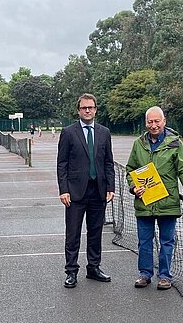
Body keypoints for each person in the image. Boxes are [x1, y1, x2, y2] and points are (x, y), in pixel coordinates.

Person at [126, 106, 183, 290]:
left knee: (167, 241)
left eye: (157, 121)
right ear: (146, 123)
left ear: (164, 122)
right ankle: (145, 274)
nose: (154, 125)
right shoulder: (138, 144)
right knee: (144, 241)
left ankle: (165, 276)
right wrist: (134, 187)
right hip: (144, 203)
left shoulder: (175, 143)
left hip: (168, 202)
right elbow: (130, 170)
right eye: (150, 122)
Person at [56, 93, 115, 288]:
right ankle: (71, 271)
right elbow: (62, 163)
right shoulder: (68, 132)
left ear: (96, 109)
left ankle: (94, 268)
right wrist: (63, 189)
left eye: (91, 107)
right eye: (84, 108)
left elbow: (108, 162)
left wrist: (110, 187)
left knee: (95, 232)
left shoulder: (104, 132)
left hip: (98, 191)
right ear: (79, 110)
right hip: (74, 193)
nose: (87, 110)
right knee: (73, 233)